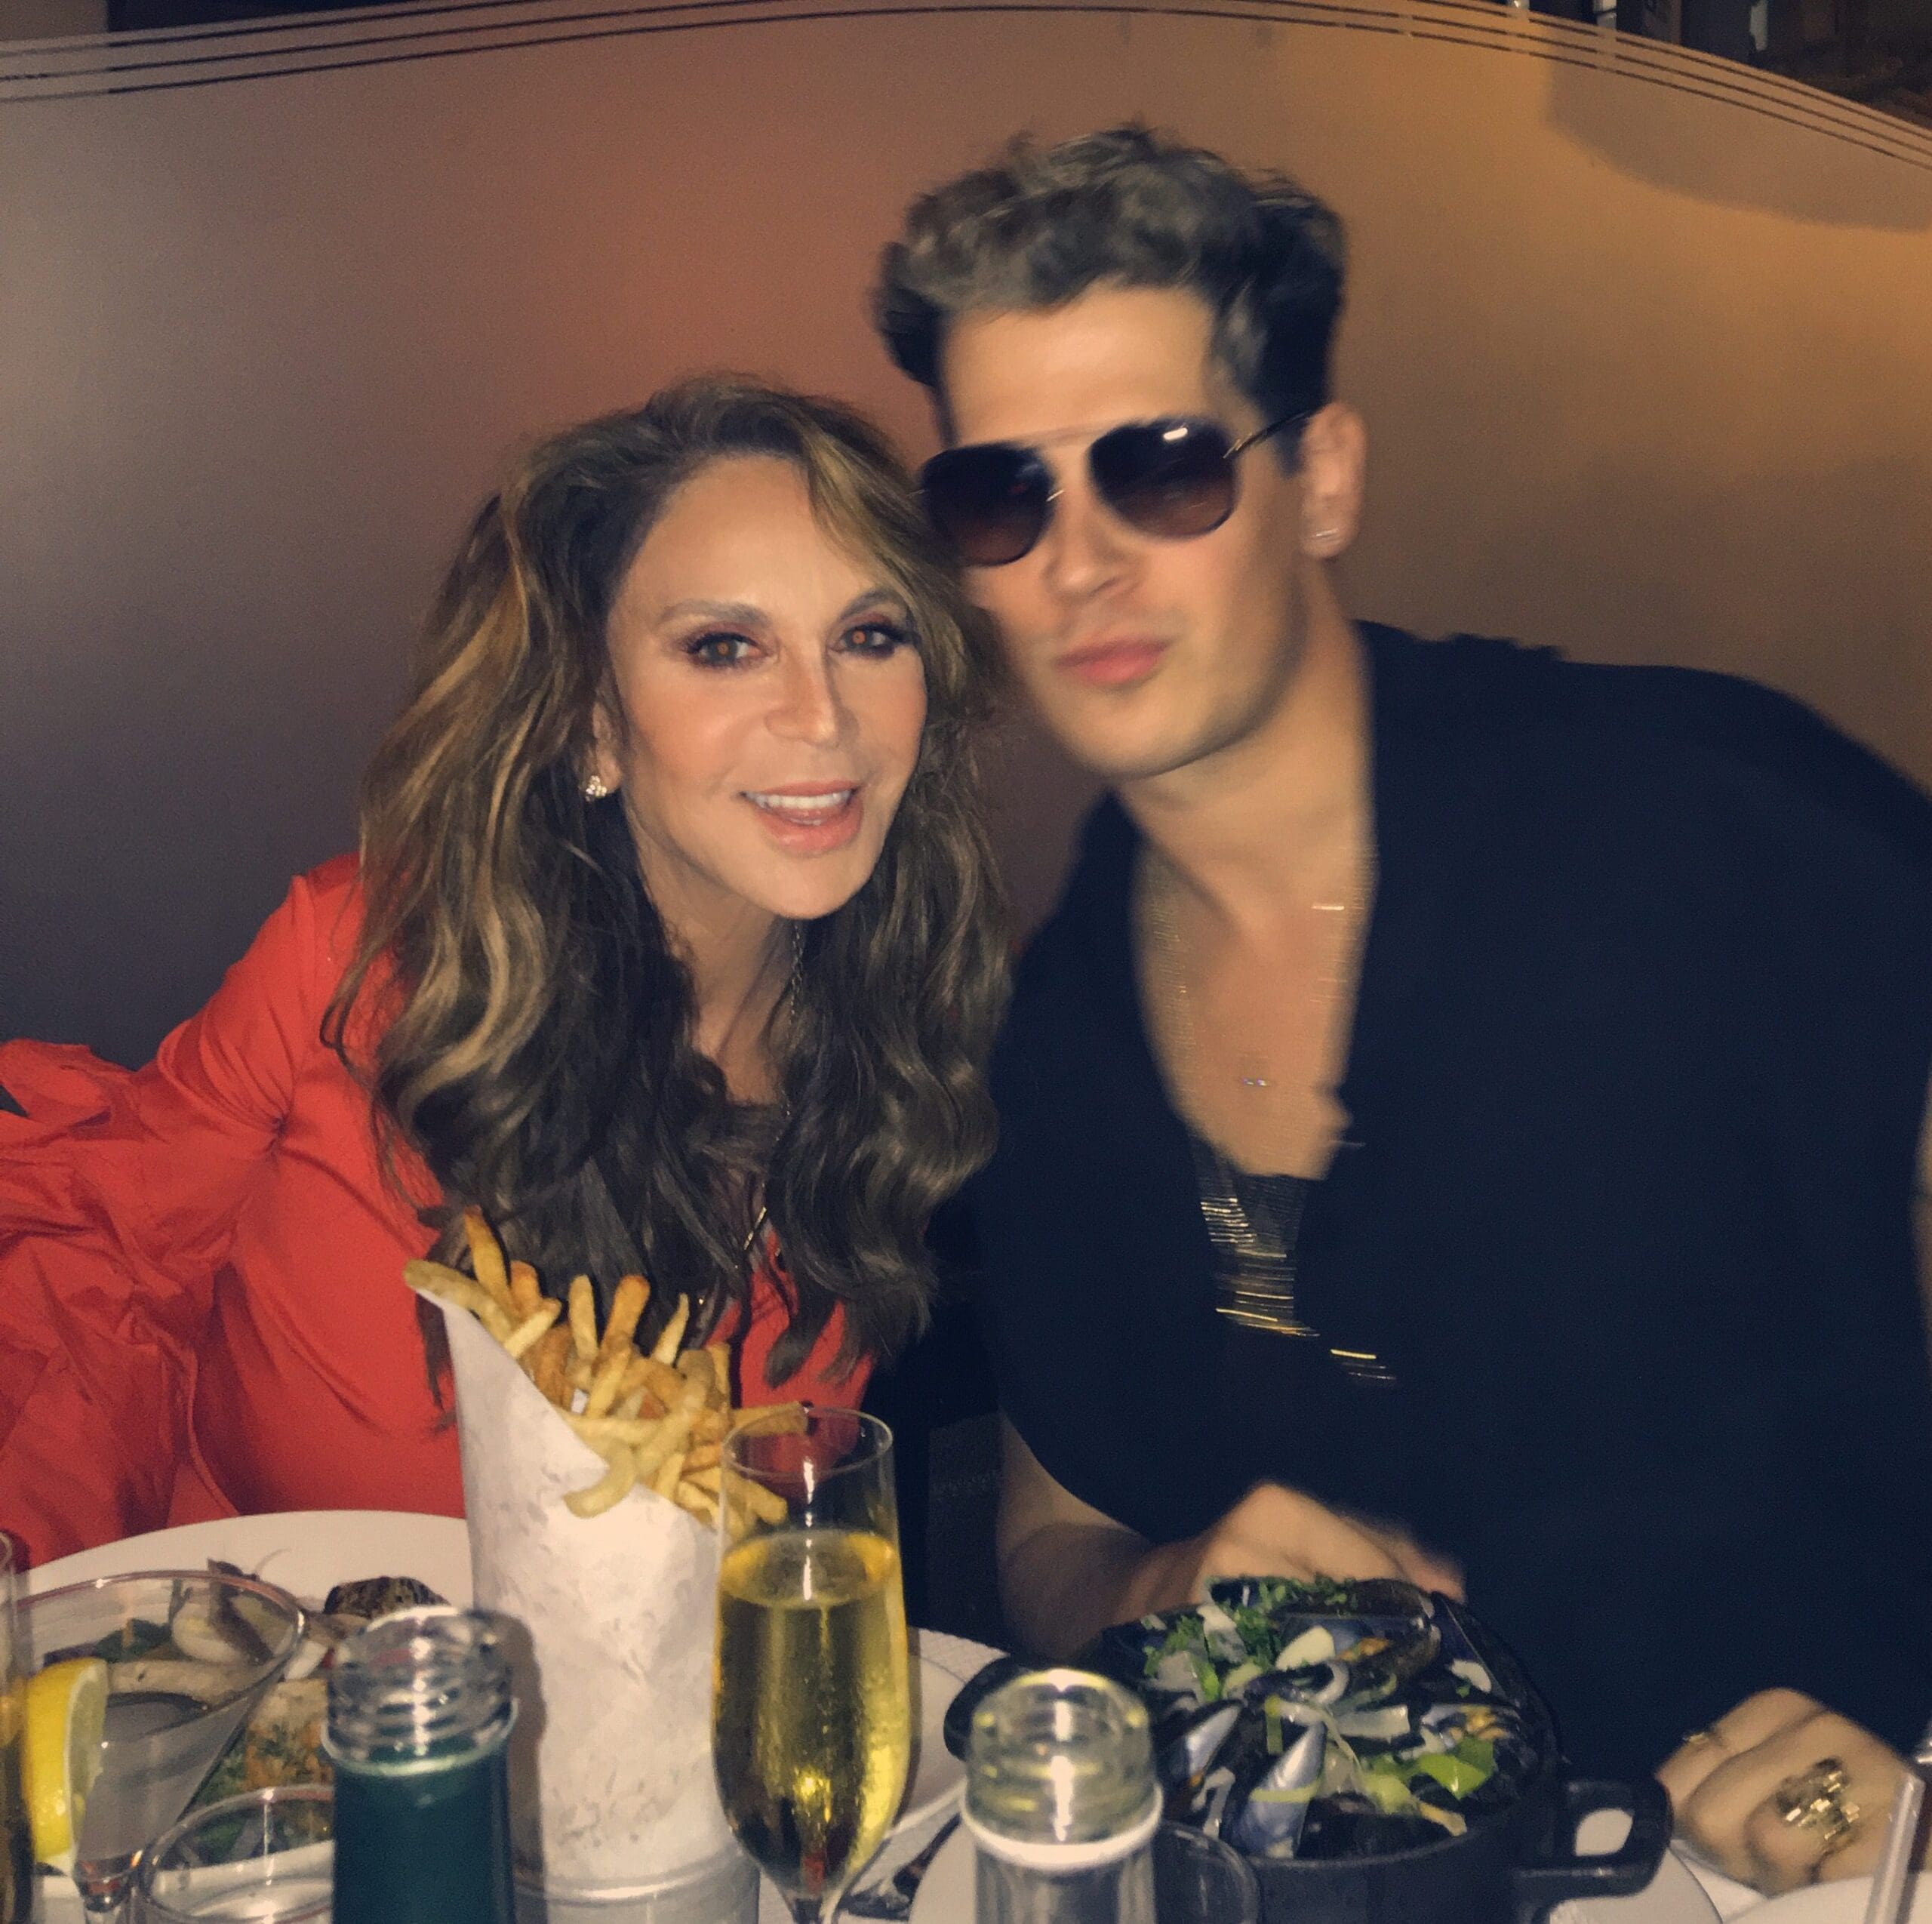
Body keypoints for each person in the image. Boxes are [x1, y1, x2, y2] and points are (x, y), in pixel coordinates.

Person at [875, 128, 1932, 1893]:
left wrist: (1912, 1791)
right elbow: (1053, 1535)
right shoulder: (1055, 1035)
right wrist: (1164, 1586)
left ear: (1323, 479)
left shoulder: (1700, 823)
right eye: (1003, 496)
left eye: (1159, 468)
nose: (1077, 563)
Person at [0, 377, 1008, 1567]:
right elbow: (102, 1289)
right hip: (265, 1656)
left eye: (869, 636)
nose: (824, 715)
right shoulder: (361, 962)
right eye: (725, 647)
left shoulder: (896, 1032)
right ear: (590, 717)